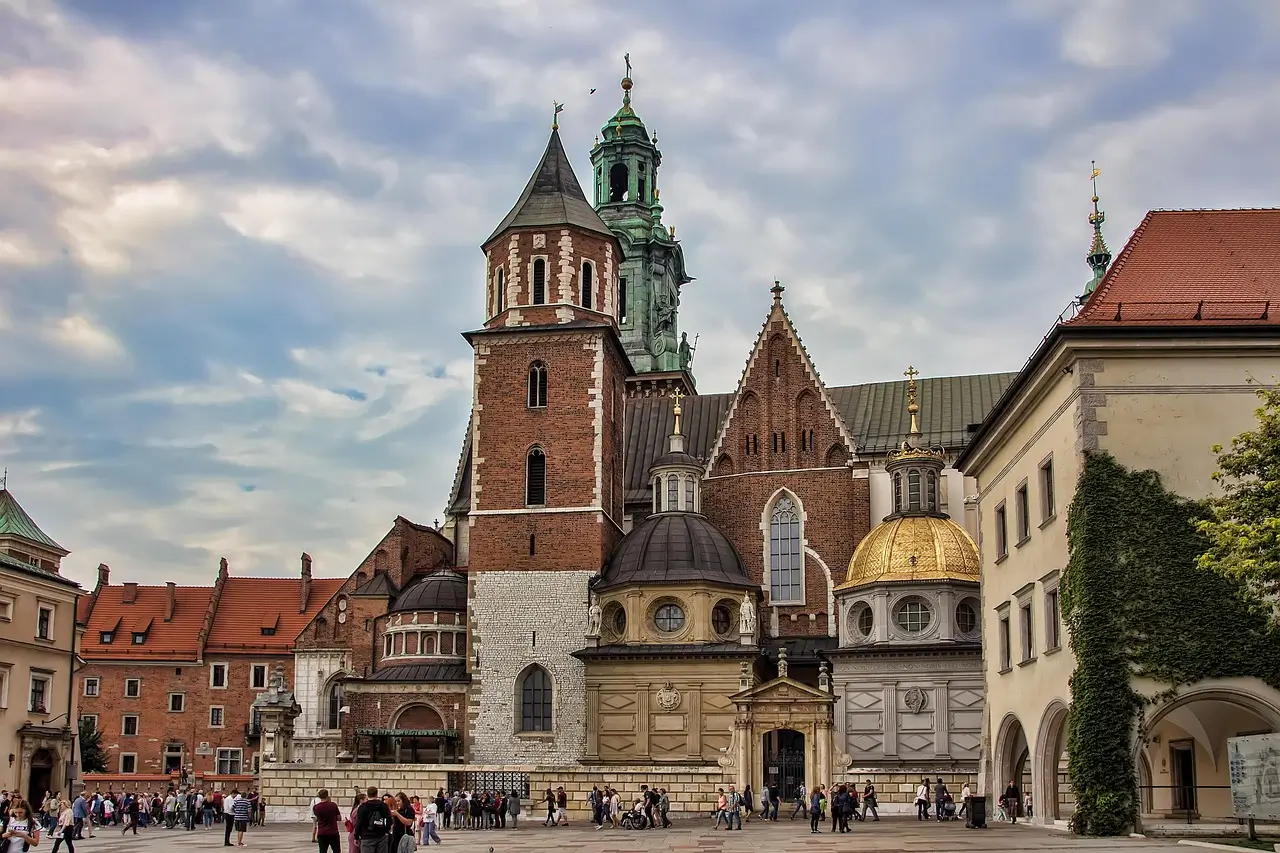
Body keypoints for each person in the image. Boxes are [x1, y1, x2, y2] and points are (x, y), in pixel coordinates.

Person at [353, 786, 391, 853]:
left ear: (368, 795)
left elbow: (359, 822)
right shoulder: (383, 805)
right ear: (376, 794)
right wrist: (386, 831)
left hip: (367, 836)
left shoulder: (363, 807)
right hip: (381, 835)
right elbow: (389, 820)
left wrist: (356, 836)